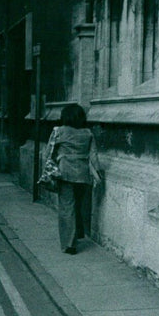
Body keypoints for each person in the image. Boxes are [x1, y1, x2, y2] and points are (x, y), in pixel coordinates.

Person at [45, 102, 102, 254]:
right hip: (83, 174)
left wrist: (50, 168)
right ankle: (77, 235)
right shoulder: (88, 133)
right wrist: (99, 174)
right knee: (77, 205)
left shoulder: (59, 131)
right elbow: (94, 156)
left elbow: (48, 152)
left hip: (65, 173)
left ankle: (69, 244)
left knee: (66, 207)